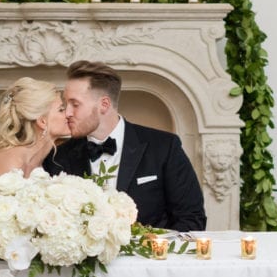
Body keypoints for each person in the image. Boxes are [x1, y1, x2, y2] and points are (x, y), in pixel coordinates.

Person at [44, 60, 207, 231]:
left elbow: (192, 219)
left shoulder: (164, 147)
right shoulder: (58, 157)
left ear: (104, 105)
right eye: (66, 104)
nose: (68, 112)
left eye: (75, 104)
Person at [0, 77, 69, 178]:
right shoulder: (11, 163)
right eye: (61, 110)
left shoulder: (39, 164)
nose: (69, 113)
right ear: (42, 122)